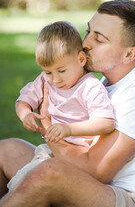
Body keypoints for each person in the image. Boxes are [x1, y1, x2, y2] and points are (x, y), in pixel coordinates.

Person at [0, 0, 135, 207]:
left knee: (47, 174)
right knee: (6, 150)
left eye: (99, 40)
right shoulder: (106, 79)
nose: (85, 43)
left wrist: (47, 123)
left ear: (129, 53)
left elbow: (96, 170)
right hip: (99, 183)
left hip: (134, 197)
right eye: (88, 32)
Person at [8, 21, 116, 190]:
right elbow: (23, 101)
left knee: (31, 187)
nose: (55, 80)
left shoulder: (90, 87)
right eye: (48, 72)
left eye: (62, 71)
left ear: (80, 59)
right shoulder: (46, 81)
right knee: (23, 182)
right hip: (52, 150)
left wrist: (69, 129)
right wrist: (25, 114)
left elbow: (106, 122)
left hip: (80, 156)